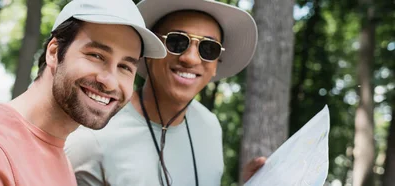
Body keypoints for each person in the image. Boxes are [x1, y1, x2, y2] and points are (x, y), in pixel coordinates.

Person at [0, 0, 167, 185]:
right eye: (96, 55)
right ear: (53, 52)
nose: (110, 81)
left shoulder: (57, 151)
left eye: (125, 66)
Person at [64, 0, 265, 185]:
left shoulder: (210, 126)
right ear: (150, 51)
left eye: (208, 48)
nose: (191, 59)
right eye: (177, 42)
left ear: (215, 65)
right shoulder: (92, 139)